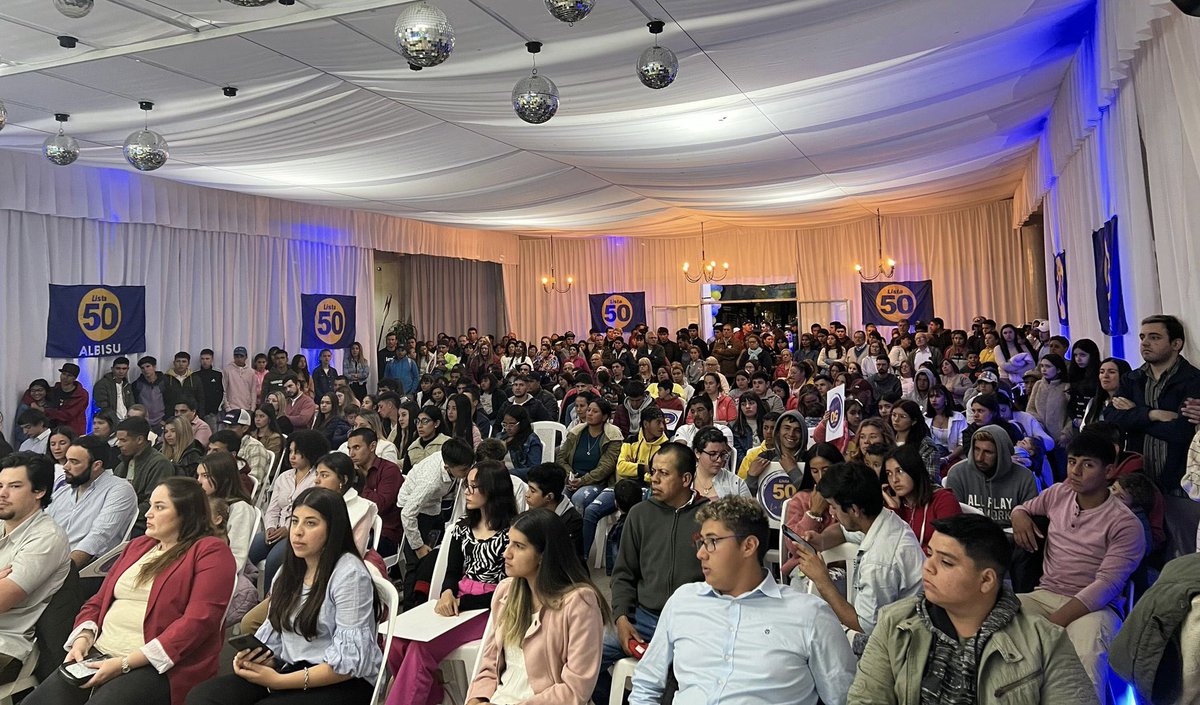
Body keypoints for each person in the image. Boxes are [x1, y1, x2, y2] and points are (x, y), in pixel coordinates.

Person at [848, 514, 1099, 704]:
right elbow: (866, 698)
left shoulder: (1045, 642)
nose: (928, 567)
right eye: (930, 554)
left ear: (986, 580)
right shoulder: (896, 623)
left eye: (946, 562)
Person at [26, 477, 235, 705]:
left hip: (157, 664)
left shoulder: (210, 552)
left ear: (186, 513)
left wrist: (125, 663)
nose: (148, 513)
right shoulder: (139, 546)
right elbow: (98, 601)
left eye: (160, 507)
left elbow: (198, 622)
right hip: (100, 652)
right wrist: (83, 638)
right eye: (151, 505)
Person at [630, 496, 855, 705]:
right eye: (702, 542)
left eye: (712, 541)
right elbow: (646, 684)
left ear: (748, 546)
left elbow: (844, 697)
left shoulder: (808, 615)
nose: (701, 554)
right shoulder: (683, 601)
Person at [187, 487, 383, 705]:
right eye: (295, 521)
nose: (297, 531)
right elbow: (275, 635)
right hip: (290, 666)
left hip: (342, 680)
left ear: (333, 530)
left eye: (310, 523)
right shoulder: (290, 570)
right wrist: (254, 659)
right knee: (202, 697)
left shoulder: (350, 575)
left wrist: (280, 681)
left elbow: (350, 665)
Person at [1010, 433, 1146, 698]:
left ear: (1108, 471)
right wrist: (1019, 515)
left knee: (1086, 653)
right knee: (999, 624)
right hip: (1044, 594)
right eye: (1072, 461)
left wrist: (1053, 624)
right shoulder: (1059, 493)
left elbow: (1107, 586)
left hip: (1096, 607)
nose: (1075, 471)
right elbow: (1023, 508)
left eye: (1087, 464)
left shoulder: (1125, 524)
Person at [385, 461, 517, 705]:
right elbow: (453, 571)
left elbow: (510, 587)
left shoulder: (512, 534)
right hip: (458, 600)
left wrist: (462, 601)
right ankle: (431, 692)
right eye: (467, 485)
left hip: (491, 607)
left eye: (474, 487)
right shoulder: (462, 528)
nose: (467, 491)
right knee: (394, 640)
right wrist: (447, 593)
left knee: (421, 649)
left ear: (493, 490)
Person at [594, 442, 706, 705]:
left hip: (691, 625)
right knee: (584, 654)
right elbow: (623, 574)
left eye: (663, 474)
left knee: (683, 684)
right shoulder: (639, 514)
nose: (653, 479)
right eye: (653, 471)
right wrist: (621, 618)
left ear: (686, 479)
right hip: (643, 619)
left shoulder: (708, 516)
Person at [466, 509, 609, 705]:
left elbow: (575, 690)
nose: (506, 553)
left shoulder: (580, 603)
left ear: (543, 555)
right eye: (509, 543)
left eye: (518, 546)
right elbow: (489, 665)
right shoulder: (506, 592)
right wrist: (476, 699)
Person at [787, 462, 925, 654]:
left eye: (834, 507)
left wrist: (822, 580)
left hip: (900, 644)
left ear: (854, 510)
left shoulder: (880, 560)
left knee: (811, 644)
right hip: (892, 627)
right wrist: (822, 540)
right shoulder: (882, 519)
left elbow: (863, 626)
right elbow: (845, 531)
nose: (832, 513)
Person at [1105, 315, 1200, 554]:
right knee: (1140, 551)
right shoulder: (1132, 379)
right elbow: (1113, 418)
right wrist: (1153, 414)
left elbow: (1181, 432)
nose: (1145, 342)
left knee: (1183, 553)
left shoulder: (1193, 380)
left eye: (1155, 337)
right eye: (1142, 337)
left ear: (1176, 344)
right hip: (1138, 484)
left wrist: (1135, 416)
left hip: (1178, 483)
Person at [0, 452, 71, 675]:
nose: (2, 494)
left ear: (39, 491)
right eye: (0, 485)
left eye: (14, 486)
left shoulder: (46, 538)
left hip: (6, 641)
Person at [396, 440, 475, 608]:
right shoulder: (429, 482)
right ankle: (411, 606)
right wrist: (418, 546)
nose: (467, 472)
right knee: (415, 563)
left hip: (433, 507)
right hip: (413, 513)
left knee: (437, 554)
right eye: (463, 470)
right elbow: (407, 514)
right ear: (447, 466)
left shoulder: (453, 459)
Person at [252, 429, 330, 591]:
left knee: (274, 560)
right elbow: (272, 509)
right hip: (276, 529)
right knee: (250, 550)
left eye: (298, 452)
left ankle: (269, 602)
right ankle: (248, 594)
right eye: (290, 451)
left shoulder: (317, 479)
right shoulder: (284, 477)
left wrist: (287, 530)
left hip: (296, 531)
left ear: (310, 452)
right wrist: (270, 527)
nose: (292, 456)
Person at [52, 435, 139, 567]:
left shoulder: (119, 490)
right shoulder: (64, 489)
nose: (65, 467)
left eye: (74, 462)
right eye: (67, 460)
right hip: (50, 562)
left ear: (96, 466)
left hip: (83, 570)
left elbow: (98, 537)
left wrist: (62, 572)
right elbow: (41, 525)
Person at [944, 425, 1037, 526]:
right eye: (976, 449)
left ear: (1002, 454)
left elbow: (1032, 519)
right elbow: (952, 522)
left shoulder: (1025, 477)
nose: (979, 458)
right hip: (969, 536)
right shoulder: (958, 473)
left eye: (988, 452)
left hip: (1011, 537)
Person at [883, 445, 961, 554]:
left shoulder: (944, 500)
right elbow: (886, 546)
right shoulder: (894, 506)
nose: (894, 480)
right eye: (889, 474)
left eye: (899, 471)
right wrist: (894, 510)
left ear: (914, 470)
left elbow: (949, 545)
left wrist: (906, 555)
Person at [113, 417, 177, 536]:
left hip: (143, 525)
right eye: (118, 440)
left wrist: (121, 514)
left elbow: (154, 503)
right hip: (121, 520)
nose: (118, 445)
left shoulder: (160, 464)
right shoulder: (122, 465)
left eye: (123, 440)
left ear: (139, 439)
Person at [345, 428, 402, 556]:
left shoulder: (389, 470)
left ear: (372, 446)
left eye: (356, 447)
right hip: (353, 527)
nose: (351, 454)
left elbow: (381, 505)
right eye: (349, 449)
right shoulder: (351, 472)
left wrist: (359, 483)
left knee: (350, 551)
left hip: (383, 533)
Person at [196, 451, 256, 572]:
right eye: (198, 475)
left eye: (205, 476)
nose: (199, 481)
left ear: (222, 477)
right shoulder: (205, 500)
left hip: (216, 569)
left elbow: (237, 557)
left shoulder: (240, 509)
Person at [312, 452, 378, 555]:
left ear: (343, 479)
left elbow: (356, 552)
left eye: (324, 475)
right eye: (316, 474)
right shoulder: (314, 502)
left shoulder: (362, 508)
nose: (316, 480)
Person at [1026, 353, 1072, 481]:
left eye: (1048, 366)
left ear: (1058, 369)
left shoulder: (1066, 388)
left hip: (1060, 440)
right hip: (1041, 438)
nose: (1044, 369)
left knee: (1062, 472)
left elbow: (1071, 415)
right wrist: (1038, 427)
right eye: (1042, 366)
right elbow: (1030, 409)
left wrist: (1066, 433)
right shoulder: (1038, 385)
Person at [524, 462, 583, 558]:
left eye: (533, 491)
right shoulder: (532, 510)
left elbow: (567, 561)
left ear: (549, 497)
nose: (527, 494)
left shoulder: (571, 521)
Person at [745, 409, 808, 494]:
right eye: (787, 428)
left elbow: (812, 495)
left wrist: (793, 471)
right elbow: (747, 497)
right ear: (778, 432)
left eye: (797, 430)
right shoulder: (765, 457)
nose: (791, 434)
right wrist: (751, 477)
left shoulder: (809, 458)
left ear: (803, 434)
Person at [690, 426, 750, 500]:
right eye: (712, 454)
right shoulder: (684, 480)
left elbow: (750, 510)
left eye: (722, 454)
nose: (719, 460)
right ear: (697, 453)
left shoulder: (736, 483)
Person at [217, 410, 273, 482]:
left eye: (231, 427)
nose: (227, 430)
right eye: (225, 426)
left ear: (245, 428)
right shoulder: (223, 445)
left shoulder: (255, 448)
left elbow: (255, 481)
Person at [132, 356, 182, 430]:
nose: (145, 370)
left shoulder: (165, 381)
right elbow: (136, 403)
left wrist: (166, 419)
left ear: (154, 367)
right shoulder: (136, 384)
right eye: (142, 368)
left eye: (148, 366)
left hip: (162, 422)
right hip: (144, 423)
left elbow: (171, 402)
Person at [495, 405, 543, 480]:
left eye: (512, 424)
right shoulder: (500, 437)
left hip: (518, 479)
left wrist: (510, 473)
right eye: (505, 424)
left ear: (522, 423)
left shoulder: (531, 440)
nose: (508, 428)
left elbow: (534, 469)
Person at [45, 362, 90, 436]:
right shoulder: (55, 389)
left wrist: (45, 411)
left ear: (75, 378)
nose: (65, 377)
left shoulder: (81, 394)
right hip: (54, 429)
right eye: (63, 374)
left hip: (73, 431)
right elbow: (34, 391)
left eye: (69, 375)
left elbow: (67, 415)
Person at [94, 357, 134, 423]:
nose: (121, 371)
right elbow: (102, 406)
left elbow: (131, 404)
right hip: (111, 422)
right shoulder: (102, 384)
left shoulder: (127, 385)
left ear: (128, 369)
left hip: (127, 421)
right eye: (118, 368)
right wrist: (112, 421)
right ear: (112, 369)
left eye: (124, 369)